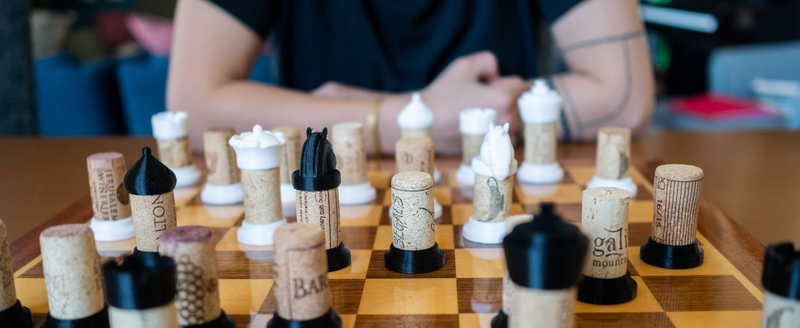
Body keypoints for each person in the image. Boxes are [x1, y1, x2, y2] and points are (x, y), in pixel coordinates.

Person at [168, 0, 654, 154]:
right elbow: (190, 108)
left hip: (503, 191)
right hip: (317, 197)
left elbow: (625, 99)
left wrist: (355, 118)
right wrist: (407, 118)